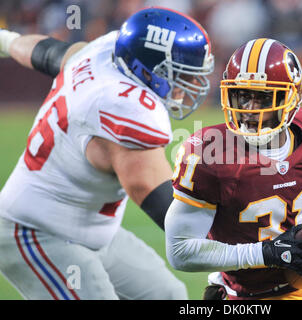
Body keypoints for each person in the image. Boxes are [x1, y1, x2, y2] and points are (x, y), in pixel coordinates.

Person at [0, 7, 214, 300]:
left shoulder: (100, 53)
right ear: (147, 69)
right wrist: (231, 252)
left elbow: (46, 52)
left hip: (90, 227)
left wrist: (6, 39)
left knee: (168, 295)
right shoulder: (125, 108)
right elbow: (164, 202)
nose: (184, 88)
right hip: (35, 230)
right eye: (178, 75)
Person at [165, 38, 302, 300]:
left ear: (291, 99)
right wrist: (266, 253)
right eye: (243, 95)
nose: (249, 109)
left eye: (264, 96)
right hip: (253, 295)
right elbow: (180, 251)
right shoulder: (210, 155)